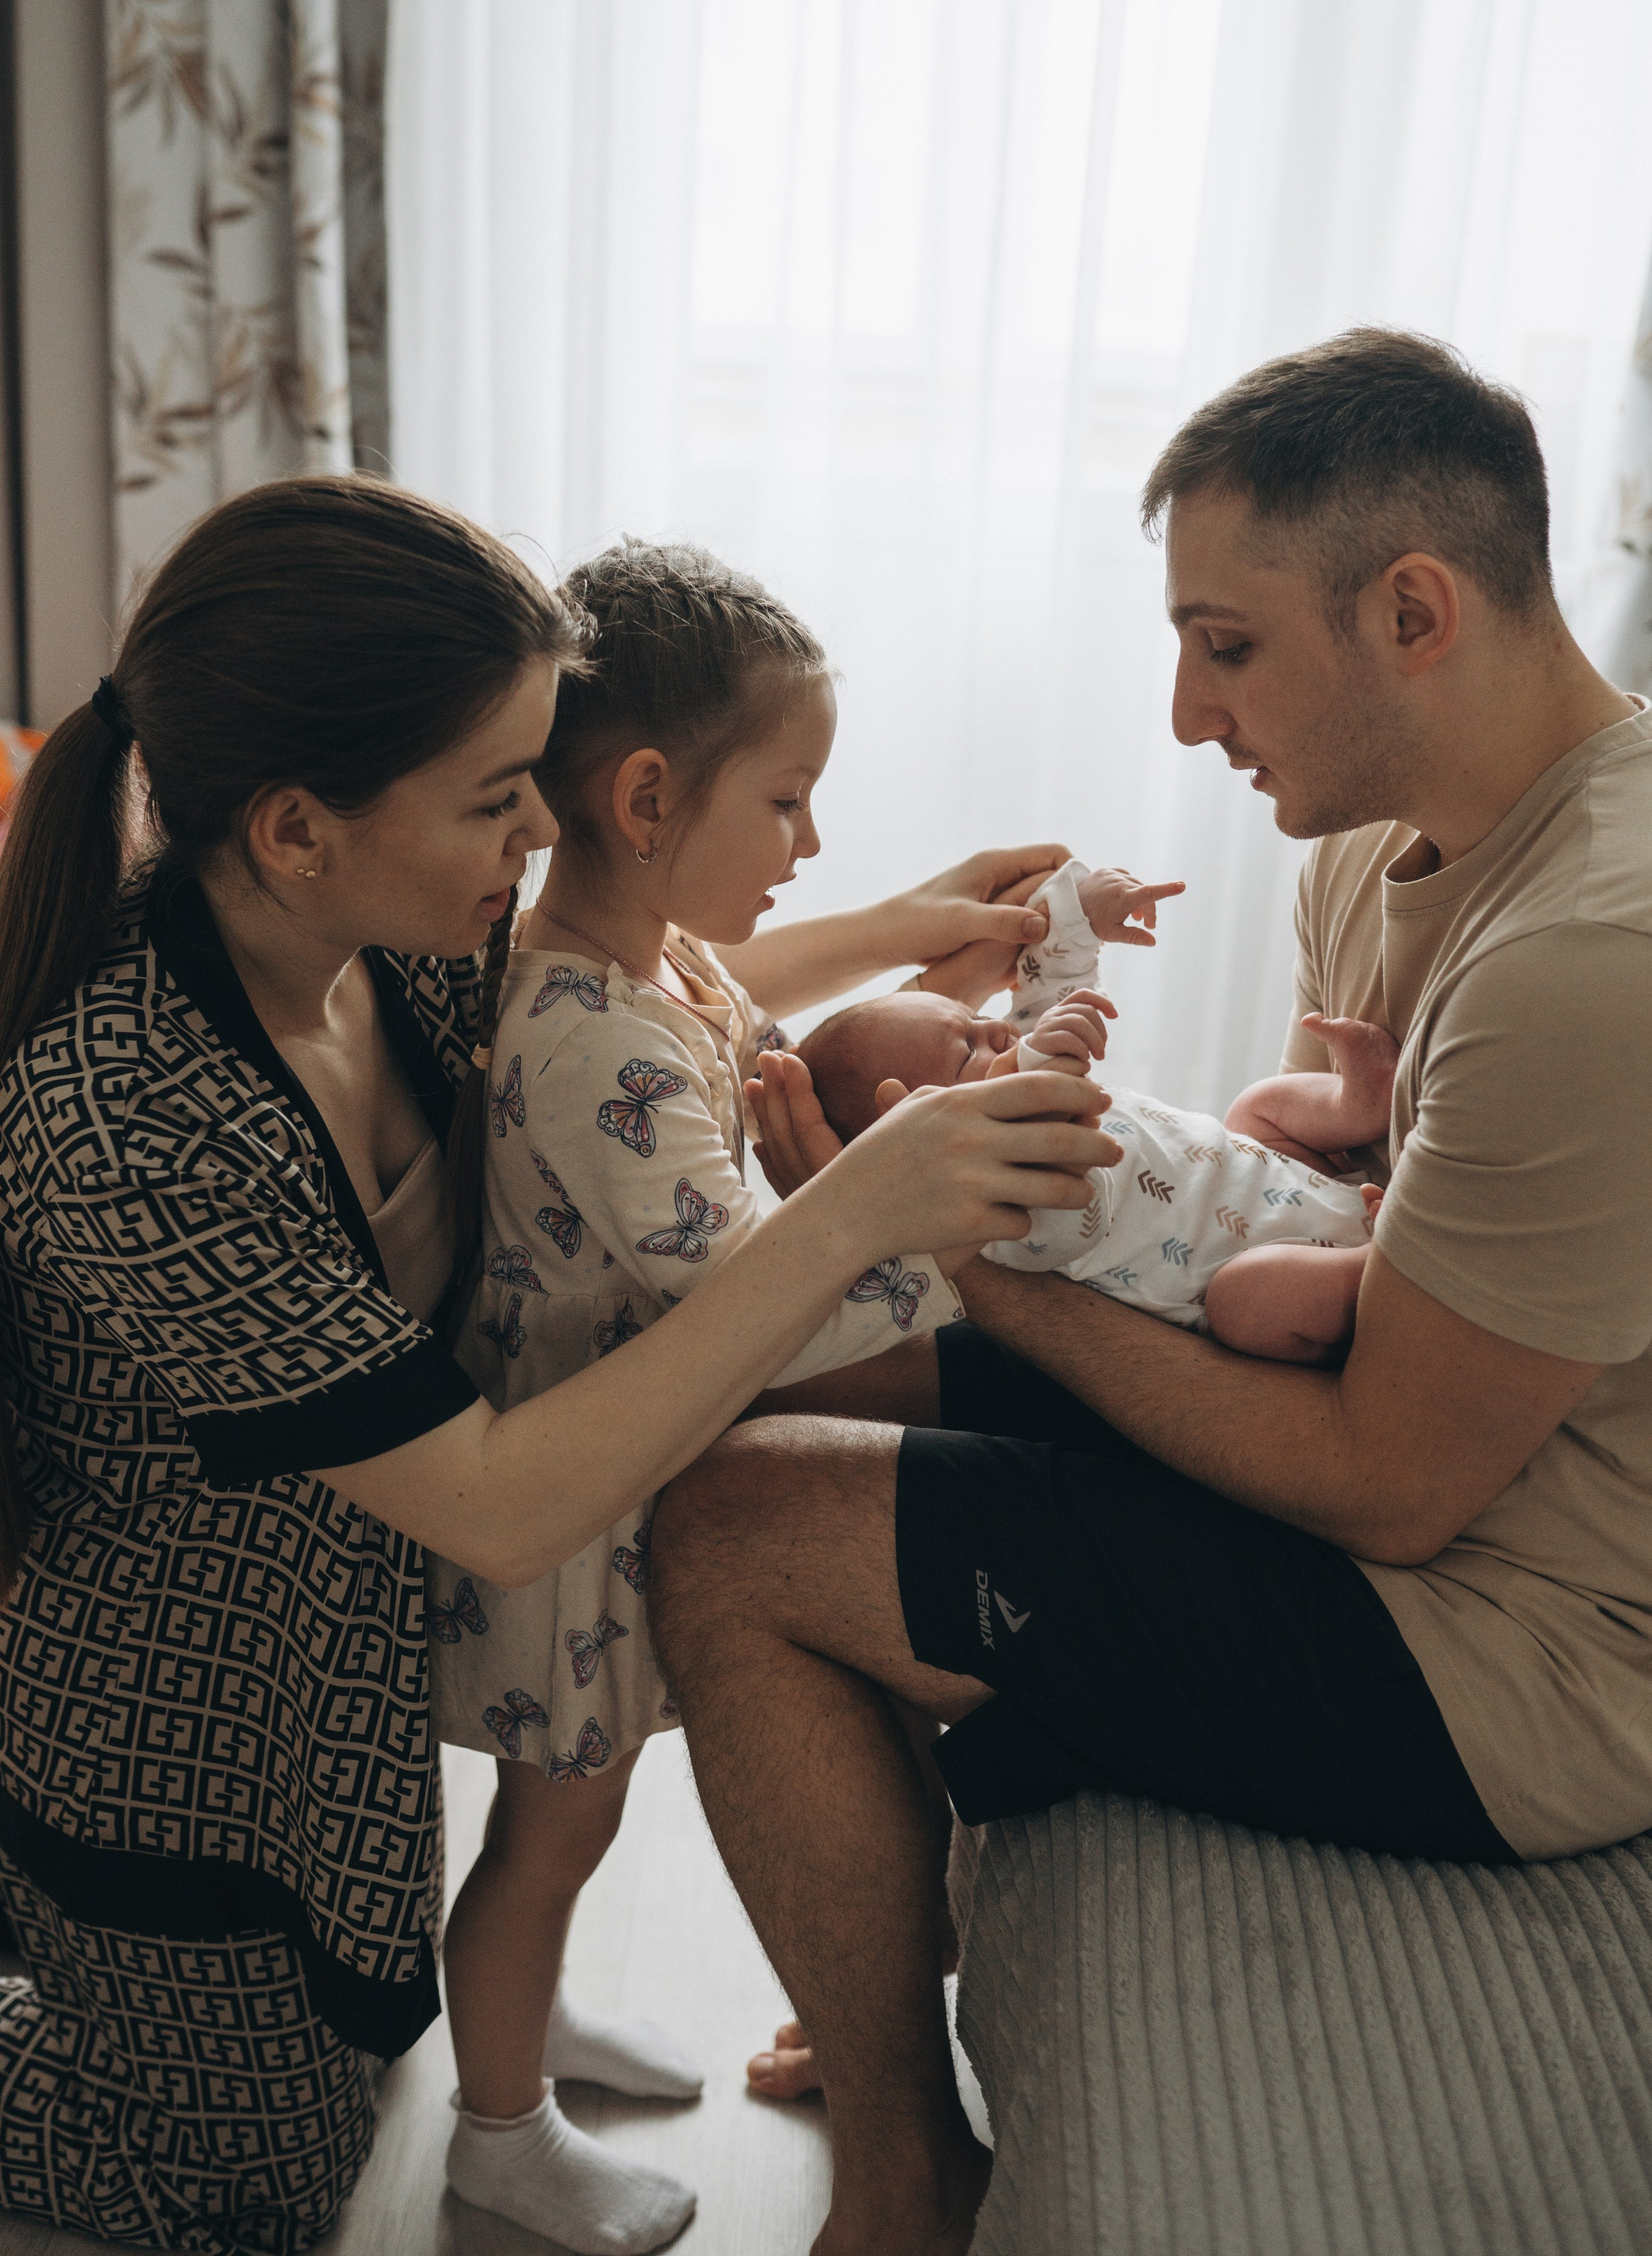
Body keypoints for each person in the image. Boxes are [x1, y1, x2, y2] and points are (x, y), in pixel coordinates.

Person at [0, 475, 1107, 2253]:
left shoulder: (405, 949)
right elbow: (504, 1507)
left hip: (341, 1663)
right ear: (299, 826)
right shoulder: (130, 1112)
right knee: (244, 2189)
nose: (547, 825)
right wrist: (845, 1216)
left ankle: (470, 2046)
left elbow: (632, 980)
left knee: (390, 2039)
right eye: (504, 795)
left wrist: (906, 926)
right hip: (184, 1720)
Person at [645, 327, 1652, 2256]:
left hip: (1516, 1643)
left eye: (1225, 641)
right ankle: (882, 1919)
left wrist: (949, 1245)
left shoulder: (1590, 952)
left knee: (735, 1527)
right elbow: (1322, 1202)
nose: (1187, 713)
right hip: (1429, 1475)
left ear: (1412, 608)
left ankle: (898, 2172)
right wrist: (1092, 1170)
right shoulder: (1385, 842)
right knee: (766, 1393)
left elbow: (1386, 1482)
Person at [433, 539, 1023, 2248]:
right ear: (640, 797)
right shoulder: (591, 1031)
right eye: (789, 800)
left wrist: (936, 933)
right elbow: (752, 1290)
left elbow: (746, 1008)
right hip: (577, 1505)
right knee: (548, 1839)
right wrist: (947, 1234)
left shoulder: (652, 966)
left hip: (638, 1465)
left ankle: (524, 2027)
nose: (811, 843)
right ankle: (495, 2127)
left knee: (575, 1821)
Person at [798, 972, 1389, 1363]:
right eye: (968, 1051)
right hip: (1280, 1269)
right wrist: (1028, 1067)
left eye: (977, 1017)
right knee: (1243, 1301)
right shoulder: (993, 1217)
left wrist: (1081, 914)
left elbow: (1051, 992)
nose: (1002, 1033)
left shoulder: (1026, 1056)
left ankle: (1356, 1107)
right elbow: (1076, 1214)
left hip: (1288, 1184)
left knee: (1254, 1107)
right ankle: (1380, 1262)